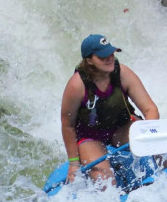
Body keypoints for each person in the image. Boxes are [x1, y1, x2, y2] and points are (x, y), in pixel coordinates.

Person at [60, 34, 159, 185]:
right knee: (104, 181)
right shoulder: (76, 85)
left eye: (111, 53)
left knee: (164, 156)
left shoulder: (123, 73)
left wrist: (149, 134)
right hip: (91, 137)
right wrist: (73, 163)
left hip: (121, 128)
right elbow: (68, 125)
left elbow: (150, 109)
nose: (110, 58)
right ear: (89, 60)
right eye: (102, 56)